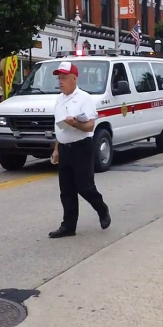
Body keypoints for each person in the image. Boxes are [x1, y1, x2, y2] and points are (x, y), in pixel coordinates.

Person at [48, 61, 110, 239]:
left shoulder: (85, 98)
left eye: (64, 78)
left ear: (74, 79)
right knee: (66, 189)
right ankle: (68, 226)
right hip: (65, 148)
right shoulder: (59, 100)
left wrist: (75, 123)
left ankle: (102, 209)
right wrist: (57, 149)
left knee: (85, 186)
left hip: (82, 147)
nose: (61, 81)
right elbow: (59, 128)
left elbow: (90, 126)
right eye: (59, 78)